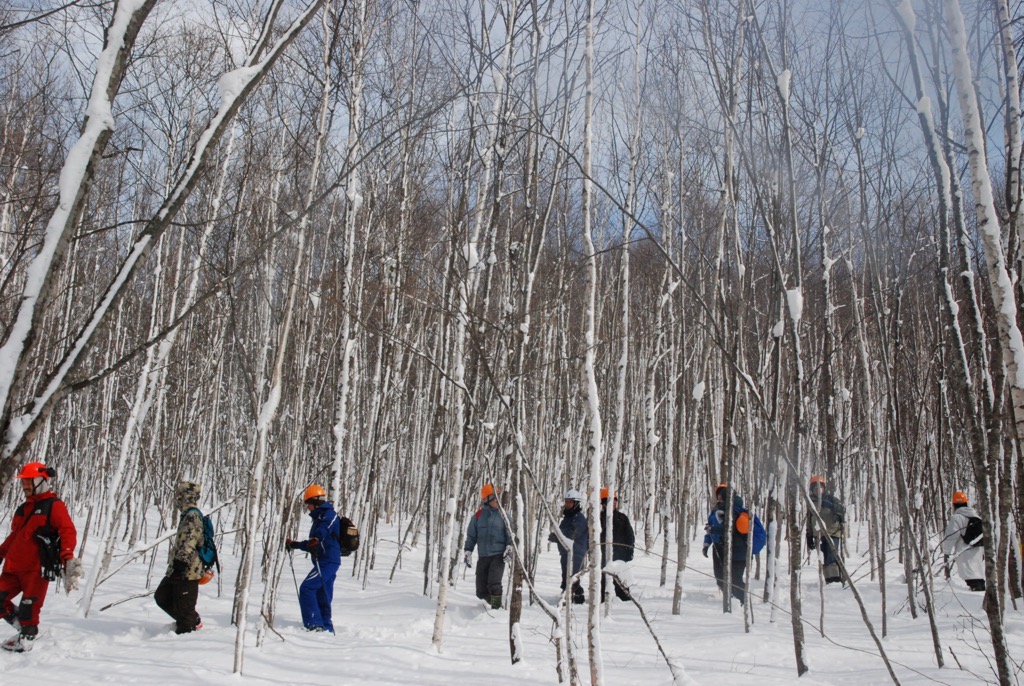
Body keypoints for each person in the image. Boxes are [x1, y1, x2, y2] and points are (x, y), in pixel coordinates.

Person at [0, 462, 80, 652]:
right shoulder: (23, 508)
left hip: (37, 569)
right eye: (23, 482)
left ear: (41, 481)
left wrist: (67, 557)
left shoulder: (54, 506)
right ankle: (22, 628)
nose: (25, 486)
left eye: (29, 481)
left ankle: (27, 639)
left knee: (30, 608)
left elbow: (68, 531)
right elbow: (15, 536)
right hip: (13, 567)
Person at [285, 484, 342, 632]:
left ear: (316, 502)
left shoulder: (329, 515)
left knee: (307, 588)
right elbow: (313, 544)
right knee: (322, 594)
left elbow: (325, 529)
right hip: (325, 561)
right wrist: (296, 545)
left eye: (308, 504)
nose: (308, 508)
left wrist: (317, 537)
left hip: (328, 562)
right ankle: (327, 629)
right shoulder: (319, 518)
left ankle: (314, 625)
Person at [155, 481, 206, 634]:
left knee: (184, 610)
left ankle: (187, 633)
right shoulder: (188, 514)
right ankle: (192, 619)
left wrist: (180, 565)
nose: (177, 498)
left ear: (185, 497)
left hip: (187, 571)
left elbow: (189, 542)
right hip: (178, 569)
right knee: (162, 596)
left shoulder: (192, 516)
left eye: (180, 495)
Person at [702, 484, 764, 605]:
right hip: (719, 548)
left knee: (735, 579)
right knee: (720, 578)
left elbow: (729, 529)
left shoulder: (735, 510)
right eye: (718, 495)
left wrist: (713, 530)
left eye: (721, 495)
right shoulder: (716, 510)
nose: (718, 497)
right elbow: (710, 528)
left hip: (738, 551)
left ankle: (743, 602)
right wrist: (706, 543)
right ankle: (731, 600)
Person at [463, 484, 511, 610]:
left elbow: (511, 533)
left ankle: (496, 610)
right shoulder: (478, 516)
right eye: (495, 497)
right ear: (487, 499)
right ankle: (496, 605)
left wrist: (509, 547)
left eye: (498, 497)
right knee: (481, 591)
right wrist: (468, 551)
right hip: (483, 556)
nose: (497, 500)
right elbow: (471, 536)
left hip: (498, 555)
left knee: (494, 584)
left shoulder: (504, 515)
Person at [548, 489, 588, 604]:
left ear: (576, 503)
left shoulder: (578, 518)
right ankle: (574, 595)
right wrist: (555, 536)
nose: (568, 504)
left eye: (570, 502)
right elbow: (562, 532)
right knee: (566, 575)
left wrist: (557, 536)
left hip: (576, 553)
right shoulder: (567, 518)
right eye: (567, 501)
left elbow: (572, 533)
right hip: (566, 552)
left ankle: (571, 597)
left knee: (572, 576)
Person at [941, 491, 985, 592]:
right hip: (979, 548)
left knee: (969, 574)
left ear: (954, 505)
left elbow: (951, 536)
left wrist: (946, 551)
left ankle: (976, 593)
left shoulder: (957, 518)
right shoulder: (977, 517)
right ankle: (981, 588)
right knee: (976, 571)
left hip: (965, 549)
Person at [806, 475, 845, 584]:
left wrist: (838, 515)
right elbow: (810, 520)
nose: (818, 491)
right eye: (816, 489)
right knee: (823, 558)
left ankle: (835, 581)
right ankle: (829, 580)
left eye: (821, 489)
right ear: (812, 489)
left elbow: (842, 512)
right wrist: (809, 536)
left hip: (833, 532)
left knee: (831, 557)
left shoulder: (832, 500)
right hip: (818, 535)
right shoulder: (811, 503)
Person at [598, 488, 635, 601]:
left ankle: (626, 602)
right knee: (603, 582)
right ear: (603, 503)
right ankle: (603, 601)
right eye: (609, 501)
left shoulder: (622, 518)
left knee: (622, 585)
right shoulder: (598, 518)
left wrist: (629, 553)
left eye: (614, 501)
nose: (613, 503)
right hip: (603, 556)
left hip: (619, 558)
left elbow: (630, 537)